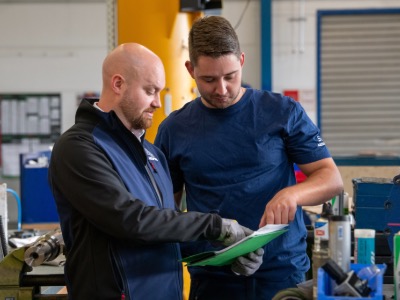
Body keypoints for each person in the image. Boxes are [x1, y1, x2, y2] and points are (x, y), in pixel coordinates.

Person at [48, 43, 264, 300]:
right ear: (118, 84)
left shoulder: (152, 154)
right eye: (150, 91)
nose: (157, 103)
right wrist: (215, 226)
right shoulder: (79, 148)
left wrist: (227, 250)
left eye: (159, 92)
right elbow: (129, 219)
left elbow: (164, 232)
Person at [154, 16, 344, 300]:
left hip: (281, 272)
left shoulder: (282, 111)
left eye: (230, 76)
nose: (221, 89)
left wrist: (291, 195)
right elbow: (164, 212)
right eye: (209, 79)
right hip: (213, 277)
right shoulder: (174, 129)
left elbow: (331, 178)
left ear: (241, 60)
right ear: (190, 69)